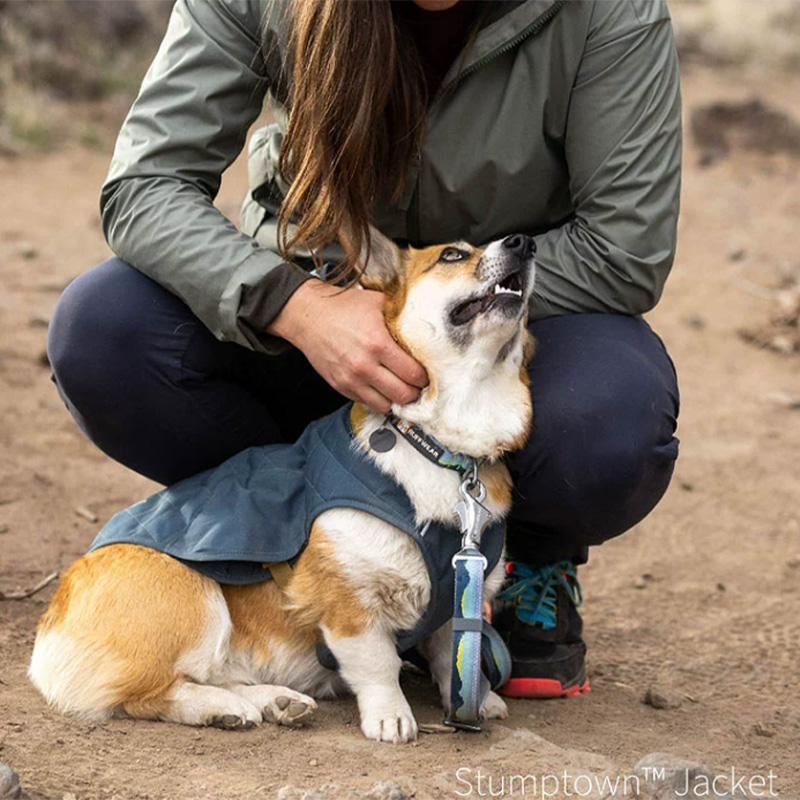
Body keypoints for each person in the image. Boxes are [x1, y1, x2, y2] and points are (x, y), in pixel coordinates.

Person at [47, 0, 681, 699]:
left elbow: (625, 249)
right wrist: (290, 303)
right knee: (105, 331)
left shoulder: (611, 13)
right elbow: (145, 185)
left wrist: (433, 310)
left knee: (612, 418)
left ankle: (517, 560)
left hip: (497, 348)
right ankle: (301, 559)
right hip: (310, 330)